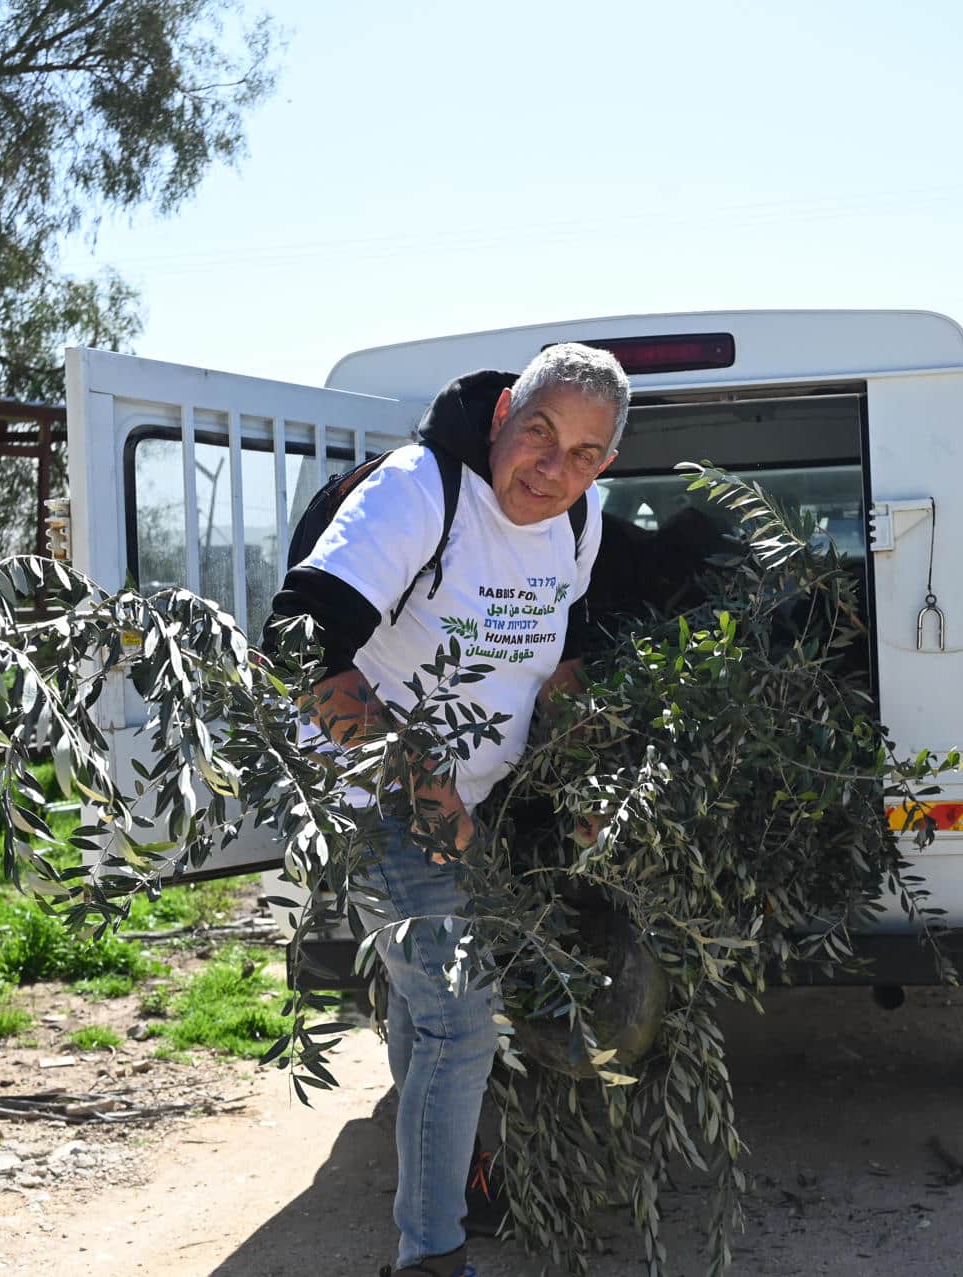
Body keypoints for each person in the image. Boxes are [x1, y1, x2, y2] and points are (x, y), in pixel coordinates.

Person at [267, 343, 628, 1277]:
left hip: (458, 796)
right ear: (506, 409)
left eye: (584, 454)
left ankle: (449, 1171)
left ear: (606, 466)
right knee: (460, 1017)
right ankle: (430, 1256)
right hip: (365, 789)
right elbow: (299, 641)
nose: (553, 469)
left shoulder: (579, 519)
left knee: (429, 1005)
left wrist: (578, 772)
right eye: (540, 435)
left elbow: (568, 651)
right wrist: (423, 789)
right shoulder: (420, 492)